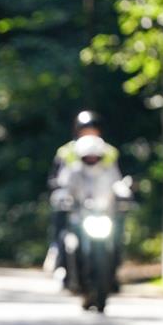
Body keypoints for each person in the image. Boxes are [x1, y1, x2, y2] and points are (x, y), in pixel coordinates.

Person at [46, 111, 121, 278]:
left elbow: (116, 177)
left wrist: (122, 192)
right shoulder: (66, 151)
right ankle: (58, 258)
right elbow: (56, 177)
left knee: (118, 230)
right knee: (61, 224)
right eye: (85, 130)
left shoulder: (108, 151)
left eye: (93, 130)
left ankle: (114, 269)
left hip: (101, 204)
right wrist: (59, 191)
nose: (89, 134)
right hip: (76, 202)